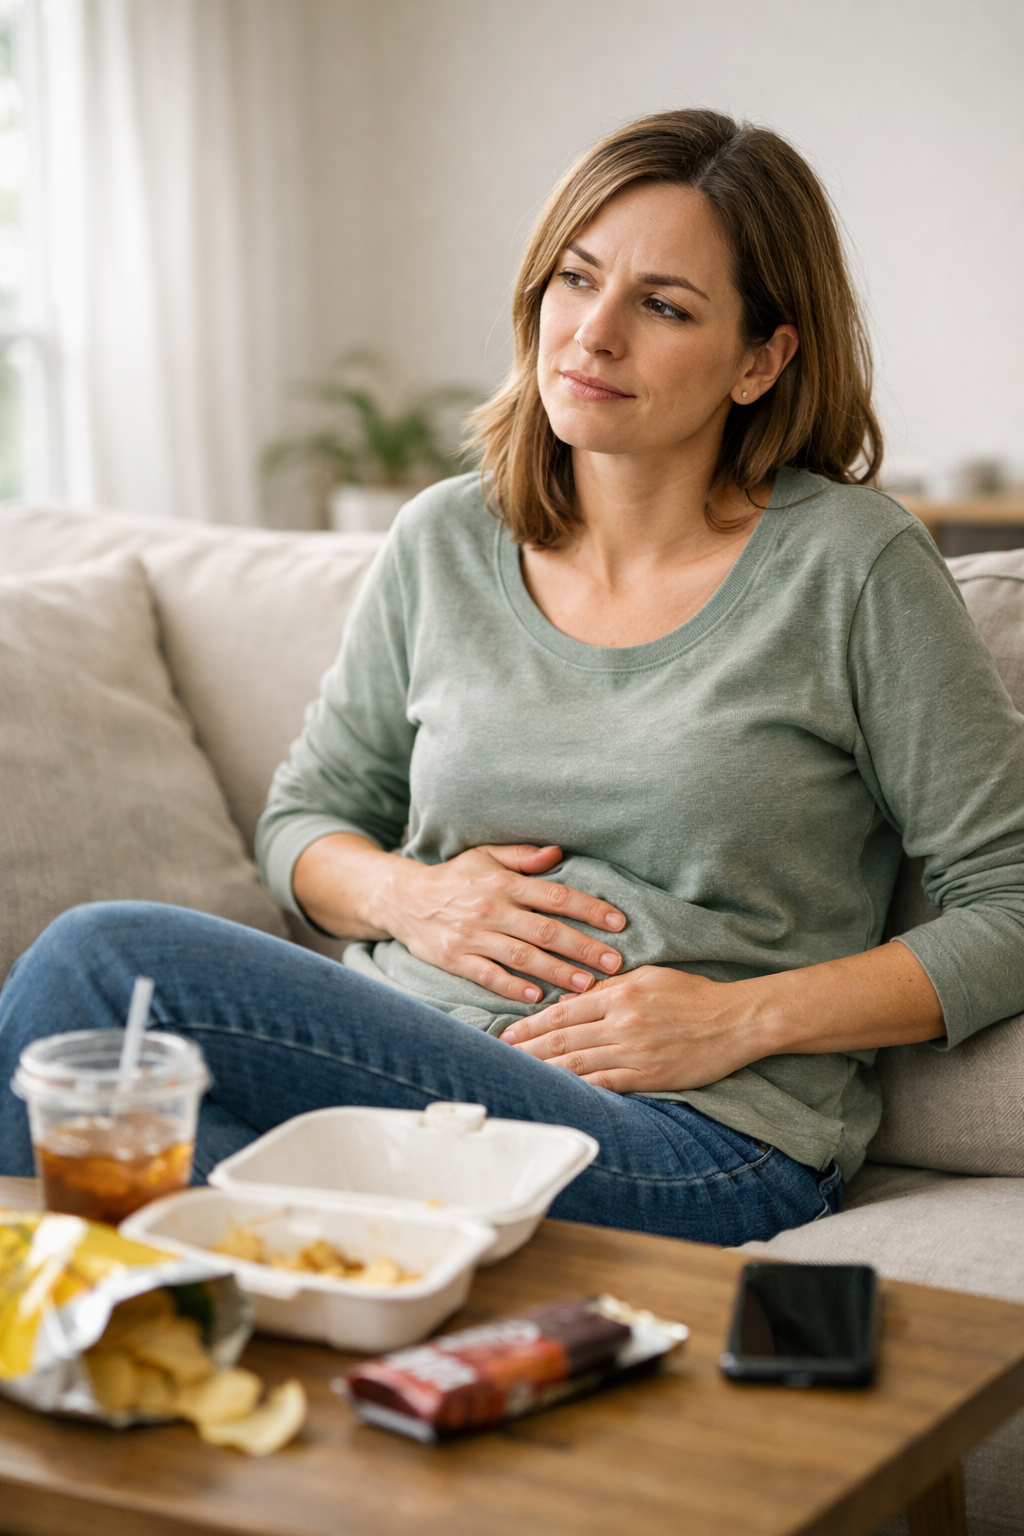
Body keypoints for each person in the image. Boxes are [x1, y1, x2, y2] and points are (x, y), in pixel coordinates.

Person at [3, 109, 1024, 1245]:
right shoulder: (445, 539)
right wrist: (410, 896)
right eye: (575, 279)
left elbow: (1013, 896)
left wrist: (738, 1020)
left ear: (761, 359)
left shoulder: (852, 565)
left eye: (664, 305)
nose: (592, 334)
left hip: (686, 1135)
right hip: (407, 1069)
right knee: (101, 1128)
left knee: (98, 966)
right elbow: (306, 822)